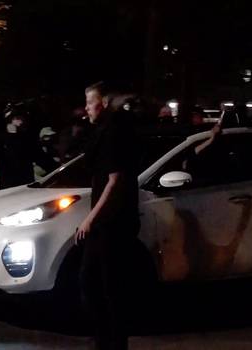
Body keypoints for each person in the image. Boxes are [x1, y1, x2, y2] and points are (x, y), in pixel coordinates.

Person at [75, 82, 144, 350]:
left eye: (89, 102)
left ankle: (114, 342)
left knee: (107, 286)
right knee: (93, 282)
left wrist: (90, 218)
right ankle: (106, 340)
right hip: (106, 222)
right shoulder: (102, 131)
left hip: (113, 223)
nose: (86, 108)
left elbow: (114, 182)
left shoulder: (114, 133)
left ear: (102, 103)